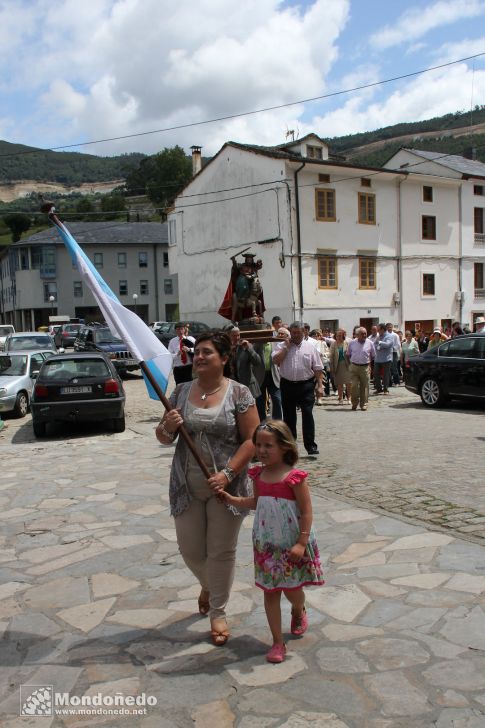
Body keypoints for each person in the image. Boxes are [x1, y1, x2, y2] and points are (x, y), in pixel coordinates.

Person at [156, 331, 260, 647]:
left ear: (224, 359)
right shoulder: (181, 391)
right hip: (186, 484)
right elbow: (162, 437)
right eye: (197, 352)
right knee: (190, 550)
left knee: (221, 552)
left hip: (226, 488)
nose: (199, 357)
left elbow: (252, 440)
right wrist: (168, 426)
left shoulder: (239, 394)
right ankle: (209, 585)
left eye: (206, 352)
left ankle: (218, 611)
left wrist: (228, 474)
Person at [217, 420, 324, 663]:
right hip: (266, 544)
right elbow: (257, 502)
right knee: (271, 591)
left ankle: (298, 609)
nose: (262, 450)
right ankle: (277, 641)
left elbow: (306, 512)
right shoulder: (258, 474)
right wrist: (232, 499)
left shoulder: (295, 478)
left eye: (268, 445)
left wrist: (301, 542)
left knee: (292, 590)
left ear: (285, 447)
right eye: (258, 445)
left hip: (291, 542)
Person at [272, 322, 324, 455]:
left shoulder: (311, 347)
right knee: (289, 416)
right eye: (293, 333)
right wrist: (286, 348)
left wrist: (320, 385)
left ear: (304, 333)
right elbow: (275, 360)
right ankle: (290, 446)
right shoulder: (282, 345)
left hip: (306, 385)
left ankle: (310, 445)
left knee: (307, 414)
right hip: (287, 384)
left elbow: (317, 368)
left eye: (298, 333)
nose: (295, 335)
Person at [228, 327, 265, 417]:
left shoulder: (246, 347)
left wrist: (249, 349)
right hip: (234, 387)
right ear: (229, 336)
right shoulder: (226, 349)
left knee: (255, 414)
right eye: (234, 336)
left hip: (248, 386)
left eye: (238, 335)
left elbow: (257, 362)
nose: (236, 338)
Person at [346, 327, 375, 411]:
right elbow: (348, 354)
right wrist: (349, 365)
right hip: (354, 367)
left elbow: (373, 355)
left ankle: (364, 404)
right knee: (354, 385)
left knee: (365, 386)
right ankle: (354, 403)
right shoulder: (352, 343)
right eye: (362, 334)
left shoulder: (370, 343)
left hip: (365, 367)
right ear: (357, 335)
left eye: (365, 333)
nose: (364, 335)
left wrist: (368, 364)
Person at [329, 329, 351, 404]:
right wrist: (331, 367)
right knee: (339, 383)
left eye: (340, 336)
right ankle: (340, 398)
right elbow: (331, 356)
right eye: (337, 336)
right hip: (337, 365)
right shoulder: (333, 344)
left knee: (348, 383)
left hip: (346, 365)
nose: (338, 337)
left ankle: (349, 398)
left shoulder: (347, 343)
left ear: (343, 336)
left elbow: (350, 354)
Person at [374, 323, 394, 394]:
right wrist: (380, 345)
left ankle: (386, 389)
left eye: (378, 330)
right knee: (376, 373)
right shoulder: (378, 336)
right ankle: (379, 388)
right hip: (378, 358)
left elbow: (388, 344)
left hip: (386, 358)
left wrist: (380, 344)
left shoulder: (389, 336)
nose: (378, 331)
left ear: (383, 329)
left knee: (385, 374)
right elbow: (375, 345)